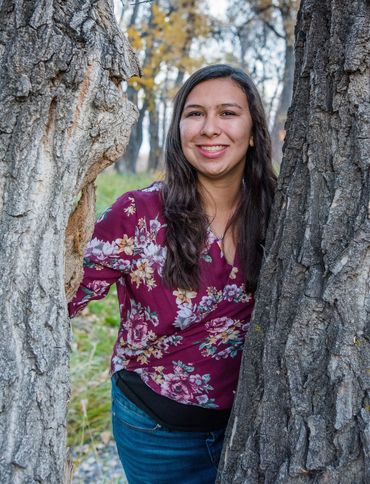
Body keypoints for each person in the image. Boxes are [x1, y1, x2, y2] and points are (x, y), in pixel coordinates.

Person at [68, 64, 276, 484]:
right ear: (178, 128)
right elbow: (53, 297)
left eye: (228, 113)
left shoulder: (284, 212)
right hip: (157, 433)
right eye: (195, 113)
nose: (209, 128)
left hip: (259, 428)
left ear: (253, 130)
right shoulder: (138, 213)